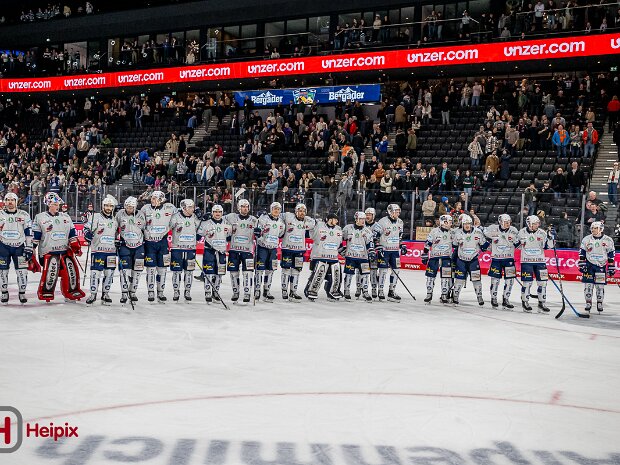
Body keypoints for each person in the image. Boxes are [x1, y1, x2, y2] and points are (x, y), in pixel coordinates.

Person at [32, 193, 85, 302]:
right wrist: (31, 249)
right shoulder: (40, 217)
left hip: (65, 251)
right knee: (51, 274)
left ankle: (70, 292)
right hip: (48, 251)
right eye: (55, 204)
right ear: (48, 204)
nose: (57, 206)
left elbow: (72, 234)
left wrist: (76, 247)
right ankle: (46, 293)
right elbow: (36, 236)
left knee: (71, 273)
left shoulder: (65, 217)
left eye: (58, 204)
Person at [141, 190, 176, 302]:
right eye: (153, 198)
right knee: (151, 269)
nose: (154, 200)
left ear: (162, 199)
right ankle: (151, 292)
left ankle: (160, 291)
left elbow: (181, 214)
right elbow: (139, 222)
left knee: (162, 268)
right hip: (149, 243)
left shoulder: (169, 208)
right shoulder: (145, 208)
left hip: (163, 242)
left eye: (157, 198)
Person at [84, 195, 119, 305]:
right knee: (95, 273)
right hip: (98, 250)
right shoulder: (95, 216)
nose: (108, 208)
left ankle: (105, 294)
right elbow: (86, 228)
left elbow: (117, 234)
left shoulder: (115, 220)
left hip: (111, 252)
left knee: (109, 274)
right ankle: (93, 294)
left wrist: (118, 241)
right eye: (107, 206)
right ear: (103, 206)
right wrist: (87, 234)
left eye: (110, 206)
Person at [0, 192, 32, 304]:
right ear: (5, 201)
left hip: (20, 247)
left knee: (22, 272)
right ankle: (4, 292)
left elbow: (29, 232)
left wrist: (29, 247)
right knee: (2, 271)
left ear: (16, 201)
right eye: (8, 200)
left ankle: (22, 293)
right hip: (3, 247)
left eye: (12, 200)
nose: (10, 202)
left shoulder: (24, 214)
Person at [518, 216, 555, 313]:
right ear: (529, 224)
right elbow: (517, 246)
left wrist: (551, 237)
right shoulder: (522, 232)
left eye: (537, 223)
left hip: (540, 261)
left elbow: (548, 247)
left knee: (543, 283)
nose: (537, 225)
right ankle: (525, 302)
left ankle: (541, 303)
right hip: (526, 261)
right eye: (534, 223)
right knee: (527, 283)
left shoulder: (542, 233)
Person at [483, 214, 520, 309]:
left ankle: (506, 299)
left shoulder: (514, 230)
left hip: (509, 259)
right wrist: (490, 240)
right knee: (495, 281)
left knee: (510, 281)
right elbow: (483, 233)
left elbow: (518, 245)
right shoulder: (493, 228)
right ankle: (493, 298)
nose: (507, 224)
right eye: (505, 222)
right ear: (500, 222)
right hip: (496, 259)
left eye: (509, 222)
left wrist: (517, 241)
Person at [280, 203, 315, 301]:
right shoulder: (288, 217)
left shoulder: (308, 221)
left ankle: (293, 291)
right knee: (286, 270)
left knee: (296, 271)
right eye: (300, 211)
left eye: (304, 211)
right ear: (296, 211)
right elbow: (276, 215)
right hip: (287, 249)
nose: (302, 213)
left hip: (299, 250)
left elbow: (315, 224)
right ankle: (284, 291)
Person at [225, 199, 258, 303]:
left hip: (247, 251)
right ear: (239, 207)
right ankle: (235, 292)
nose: (245, 208)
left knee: (248, 273)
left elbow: (261, 231)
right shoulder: (231, 217)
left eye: (247, 206)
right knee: (233, 273)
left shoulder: (254, 220)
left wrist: (259, 232)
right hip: (234, 250)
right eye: (243, 206)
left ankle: (247, 293)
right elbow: (219, 220)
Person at [197, 204, 232, 303]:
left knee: (219, 273)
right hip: (209, 250)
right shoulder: (206, 223)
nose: (217, 214)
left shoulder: (226, 224)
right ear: (212, 213)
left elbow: (229, 237)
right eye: (215, 212)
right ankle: (208, 291)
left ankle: (216, 291)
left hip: (221, 252)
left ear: (222, 213)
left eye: (219, 212)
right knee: (208, 272)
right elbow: (198, 236)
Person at [305, 213, 343, 301]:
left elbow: (340, 243)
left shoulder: (338, 229)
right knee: (318, 275)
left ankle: (332, 291)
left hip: (333, 257)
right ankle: (311, 291)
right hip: (319, 256)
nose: (337, 221)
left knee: (335, 276)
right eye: (335, 219)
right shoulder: (319, 225)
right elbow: (308, 223)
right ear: (329, 219)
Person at [372, 204, 407, 301]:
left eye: (398, 211)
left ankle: (392, 291)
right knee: (383, 271)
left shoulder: (400, 222)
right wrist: (378, 246)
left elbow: (400, 236)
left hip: (395, 251)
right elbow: (375, 236)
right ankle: (381, 290)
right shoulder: (382, 222)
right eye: (395, 211)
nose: (397, 213)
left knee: (396, 270)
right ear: (390, 212)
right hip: (385, 251)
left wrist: (402, 245)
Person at [579, 222, 615, 313]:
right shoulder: (586, 239)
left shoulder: (608, 240)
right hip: (589, 265)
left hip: (601, 266)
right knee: (588, 286)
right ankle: (588, 303)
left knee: (600, 286)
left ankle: (599, 302)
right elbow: (582, 252)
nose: (593, 230)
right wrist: (582, 263)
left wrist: (611, 266)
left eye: (595, 228)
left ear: (601, 229)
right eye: (592, 228)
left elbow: (611, 254)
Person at [452, 214, 488, 305]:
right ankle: (455, 296)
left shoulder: (478, 232)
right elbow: (454, 245)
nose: (467, 225)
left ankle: (479, 296)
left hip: (473, 260)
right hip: (461, 260)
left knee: (476, 279)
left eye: (469, 223)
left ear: (471, 224)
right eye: (465, 224)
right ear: (462, 224)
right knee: (459, 279)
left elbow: (483, 245)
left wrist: (490, 242)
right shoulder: (458, 232)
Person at [116, 196, 146, 303]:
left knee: (137, 271)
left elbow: (145, 229)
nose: (129, 209)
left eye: (131, 207)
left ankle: (132, 292)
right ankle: (124, 293)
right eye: (127, 206)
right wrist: (116, 238)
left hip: (139, 246)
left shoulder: (141, 215)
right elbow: (115, 227)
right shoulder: (119, 214)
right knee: (124, 270)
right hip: (125, 245)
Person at [169, 199, 200, 302]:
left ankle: (187, 291)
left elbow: (200, 230)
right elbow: (169, 226)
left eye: (193, 207)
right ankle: (176, 291)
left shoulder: (195, 217)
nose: (192, 209)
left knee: (189, 272)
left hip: (190, 249)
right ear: (184, 208)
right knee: (176, 272)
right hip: (177, 248)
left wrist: (202, 220)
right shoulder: (176, 217)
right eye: (190, 207)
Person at [340, 212, 375, 302]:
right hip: (350, 256)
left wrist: (371, 251)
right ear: (356, 219)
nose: (363, 221)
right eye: (361, 219)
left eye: (364, 219)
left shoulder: (367, 231)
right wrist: (340, 249)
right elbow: (340, 238)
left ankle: (365, 292)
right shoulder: (348, 228)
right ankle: (346, 291)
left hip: (363, 257)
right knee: (349, 274)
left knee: (366, 275)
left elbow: (370, 243)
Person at [254, 202, 286, 302]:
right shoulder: (263, 218)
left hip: (273, 249)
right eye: (274, 208)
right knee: (259, 269)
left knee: (271, 270)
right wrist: (258, 234)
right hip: (262, 247)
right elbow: (257, 229)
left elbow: (280, 234)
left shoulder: (281, 222)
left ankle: (266, 290)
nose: (276, 210)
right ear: (271, 209)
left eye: (278, 209)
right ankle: (257, 289)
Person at [421, 214, 455, 303]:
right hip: (434, 257)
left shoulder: (452, 232)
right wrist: (424, 254)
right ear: (444, 222)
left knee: (445, 277)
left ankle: (444, 295)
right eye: (449, 222)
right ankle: (429, 293)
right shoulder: (434, 231)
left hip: (446, 257)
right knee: (430, 277)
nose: (451, 224)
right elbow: (428, 243)